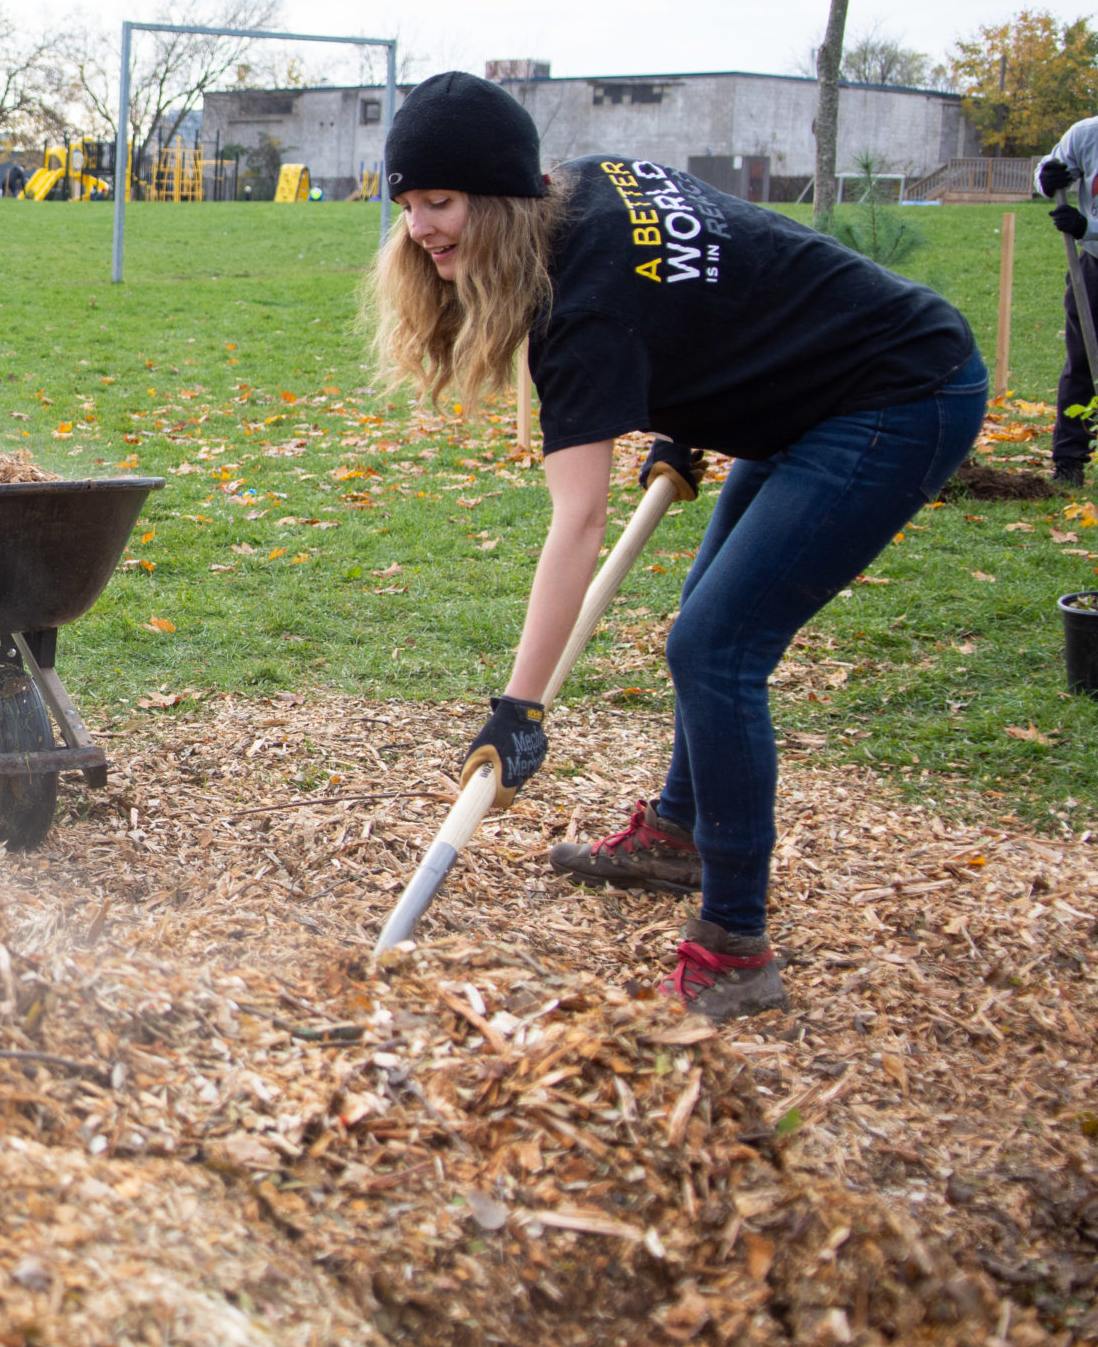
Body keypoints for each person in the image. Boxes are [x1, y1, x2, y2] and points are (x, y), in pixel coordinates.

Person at [368, 72, 983, 1019]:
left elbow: (578, 521)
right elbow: (716, 276)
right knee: (705, 625)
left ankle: (736, 943)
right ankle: (681, 831)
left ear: (501, 194)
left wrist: (519, 708)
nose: (421, 229)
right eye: (408, 205)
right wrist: (688, 396)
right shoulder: (588, 183)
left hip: (896, 393)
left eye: (440, 201)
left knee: (714, 646)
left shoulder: (582, 315)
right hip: (812, 390)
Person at [1033, 117, 1098, 487]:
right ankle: (1069, 461)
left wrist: (1087, 227)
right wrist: (1047, 178)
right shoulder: (1087, 134)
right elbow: (1050, 165)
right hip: (1093, 267)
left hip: (1090, 239)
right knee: (1082, 364)